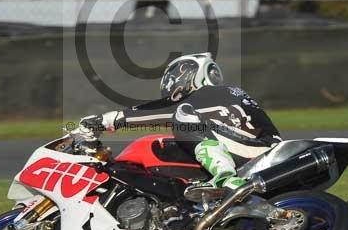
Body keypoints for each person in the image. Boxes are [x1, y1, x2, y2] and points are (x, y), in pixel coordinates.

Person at [78, 53, 283, 197]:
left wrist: (106, 121)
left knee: (184, 119)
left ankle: (225, 178)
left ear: (188, 73)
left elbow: (159, 112)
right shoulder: (223, 96)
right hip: (256, 149)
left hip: (259, 151)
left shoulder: (210, 94)